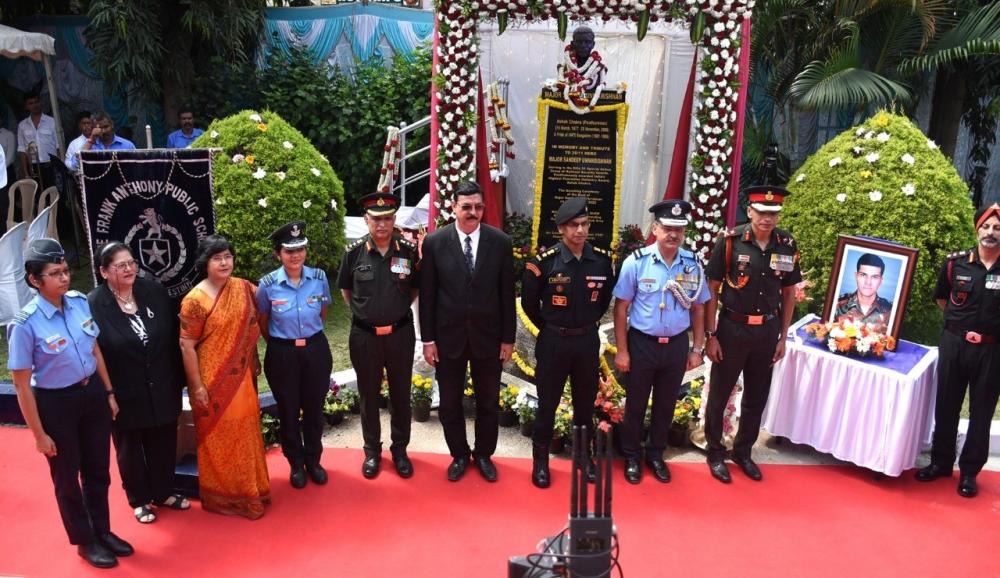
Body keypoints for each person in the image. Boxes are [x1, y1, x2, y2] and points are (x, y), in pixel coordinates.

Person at [7, 238, 133, 568]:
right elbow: (21, 385)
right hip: (56, 404)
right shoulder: (25, 324)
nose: (64, 278)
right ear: (35, 280)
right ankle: (84, 540)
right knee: (67, 478)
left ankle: (102, 531)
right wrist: (38, 435)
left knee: (98, 470)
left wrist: (108, 393)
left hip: (91, 394)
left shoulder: (78, 302)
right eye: (55, 273)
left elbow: (94, 350)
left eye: (65, 271)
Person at [703, 186, 801, 484]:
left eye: (773, 213)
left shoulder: (786, 245)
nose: (767, 219)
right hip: (732, 329)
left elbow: (789, 293)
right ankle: (715, 451)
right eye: (761, 212)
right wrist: (711, 335)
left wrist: (783, 337)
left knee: (756, 397)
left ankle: (743, 451)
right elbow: (712, 289)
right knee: (720, 394)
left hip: (767, 331)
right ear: (750, 211)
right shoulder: (731, 242)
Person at [420, 181, 515, 482]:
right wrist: (428, 339)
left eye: (478, 207)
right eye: (466, 207)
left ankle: (484, 454)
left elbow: (506, 295)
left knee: (488, 402)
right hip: (448, 340)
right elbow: (428, 295)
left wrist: (508, 339)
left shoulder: (500, 243)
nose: (473, 212)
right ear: (454, 208)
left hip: (489, 338)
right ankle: (459, 454)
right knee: (449, 403)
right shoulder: (435, 243)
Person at [88, 242, 188, 524]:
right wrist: (107, 392)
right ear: (104, 272)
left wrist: (178, 379)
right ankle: (140, 499)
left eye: (131, 262)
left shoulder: (152, 292)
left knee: (164, 440)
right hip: (123, 390)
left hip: (161, 383)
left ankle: (164, 492)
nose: (129, 269)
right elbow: (94, 352)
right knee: (129, 447)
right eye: (120, 266)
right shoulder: (94, 304)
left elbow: (170, 338)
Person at [612, 200, 709, 485]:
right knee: (636, 404)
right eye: (667, 227)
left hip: (676, 344)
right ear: (655, 228)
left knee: (666, 404)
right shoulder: (637, 262)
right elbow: (621, 308)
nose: (673, 234)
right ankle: (631, 455)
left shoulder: (692, 265)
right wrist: (623, 350)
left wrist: (697, 348)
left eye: (679, 229)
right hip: (642, 343)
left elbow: (699, 308)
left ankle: (655, 454)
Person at [521, 197, 615, 488]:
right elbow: (529, 305)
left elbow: (603, 303)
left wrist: (585, 325)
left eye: (585, 224)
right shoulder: (544, 263)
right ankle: (540, 462)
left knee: (585, 405)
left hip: (586, 342)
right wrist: (551, 328)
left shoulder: (601, 260)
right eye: (574, 225)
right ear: (561, 228)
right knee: (547, 404)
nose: (580, 230)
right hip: (553, 343)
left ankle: (583, 457)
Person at [179, 235, 270, 519]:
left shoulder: (244, 288)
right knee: (218, 435)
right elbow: (186, 345)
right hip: (211, 378)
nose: (224, 262)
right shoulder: (194, 300)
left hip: (241, 375)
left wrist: (254, 357)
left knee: (245, 431)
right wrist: (197, 387)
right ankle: (225, 496)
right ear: (205, 263)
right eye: (217, 258)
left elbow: (254, 322)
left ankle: (251, 491)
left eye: (228, 256)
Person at [916, 203, 1000, 498]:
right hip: (954, 343)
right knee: (947, 405)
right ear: (977, 229)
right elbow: (942, 299)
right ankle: (940, 463)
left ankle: (968, 473)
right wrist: (960, 327)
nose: (990, 233)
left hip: (992, 350)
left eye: (997, 228)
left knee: (981, 412)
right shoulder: (956, 263)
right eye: (986, 226)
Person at [339, 193, 420, 480]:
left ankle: (400, 450)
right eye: (376, 219)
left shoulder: (409, 251)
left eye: (387, 218)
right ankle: (372, 451)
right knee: (368, 395)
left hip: (400, 335)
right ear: (366, 221)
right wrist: (368, 314)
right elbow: (346, 293)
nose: (382, 224)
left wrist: (392, 312)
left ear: (394, 219)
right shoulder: (353, 253)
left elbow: (414, 289)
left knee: (400, 393)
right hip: (365, 337)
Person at [256, 221, 333, 489]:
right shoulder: (267, 285)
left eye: (300, 249)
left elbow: (323, 314)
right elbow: (263, 321)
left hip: (315, 350)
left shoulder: (319, 279)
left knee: (314, 408)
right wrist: (281, 344)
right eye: (289, 251)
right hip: (283, 354)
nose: (295, 255)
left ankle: (314, 460)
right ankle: (296, 464)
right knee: (288, 410)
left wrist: (307, 338)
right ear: (278, 254)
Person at [834, 252, 893, 328]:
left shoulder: (891, 311)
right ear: (856, 276)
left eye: (874, 277)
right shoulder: (838, 303)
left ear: (881, 281)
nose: (868, 282)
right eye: (863, 275)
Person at [17, 93, 59, 188]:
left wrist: (59, 168)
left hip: (51, 165)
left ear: (40, 102)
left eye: (36, 102)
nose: (35, 105)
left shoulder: (52, 121)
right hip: (33, 168)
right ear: (26, 106)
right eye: (31, 103)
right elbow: (22, 150)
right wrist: (26, 173)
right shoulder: (22, 125)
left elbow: (58, 145)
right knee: (38, 198)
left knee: (54, 196)